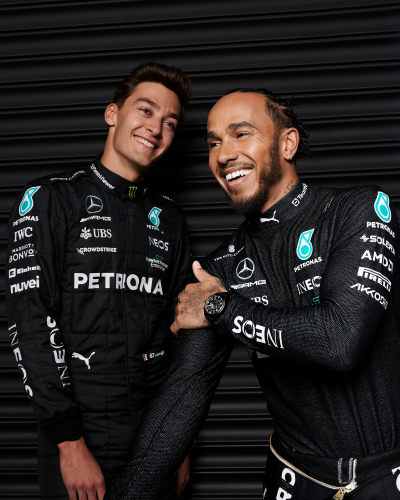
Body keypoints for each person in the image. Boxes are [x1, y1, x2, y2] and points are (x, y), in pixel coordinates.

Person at [104, 88, 400, 500]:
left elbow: (341, 341)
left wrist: (220, 307)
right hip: (295, 480)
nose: (224, 154)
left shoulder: (359, 209)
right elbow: (180, 401)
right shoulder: (218, 269)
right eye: (213, 143)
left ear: (287, 143)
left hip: (385, 477)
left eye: (241, 134)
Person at [5, 61, 193, 500]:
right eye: (145, 111)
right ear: (113, 113)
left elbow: (181, 335)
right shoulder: (51, 198)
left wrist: (178, 439)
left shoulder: (169, 219)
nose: (156, 129)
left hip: (153, 441)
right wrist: (69, 443)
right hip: (78, 443)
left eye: (170, 122)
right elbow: (30, 321)